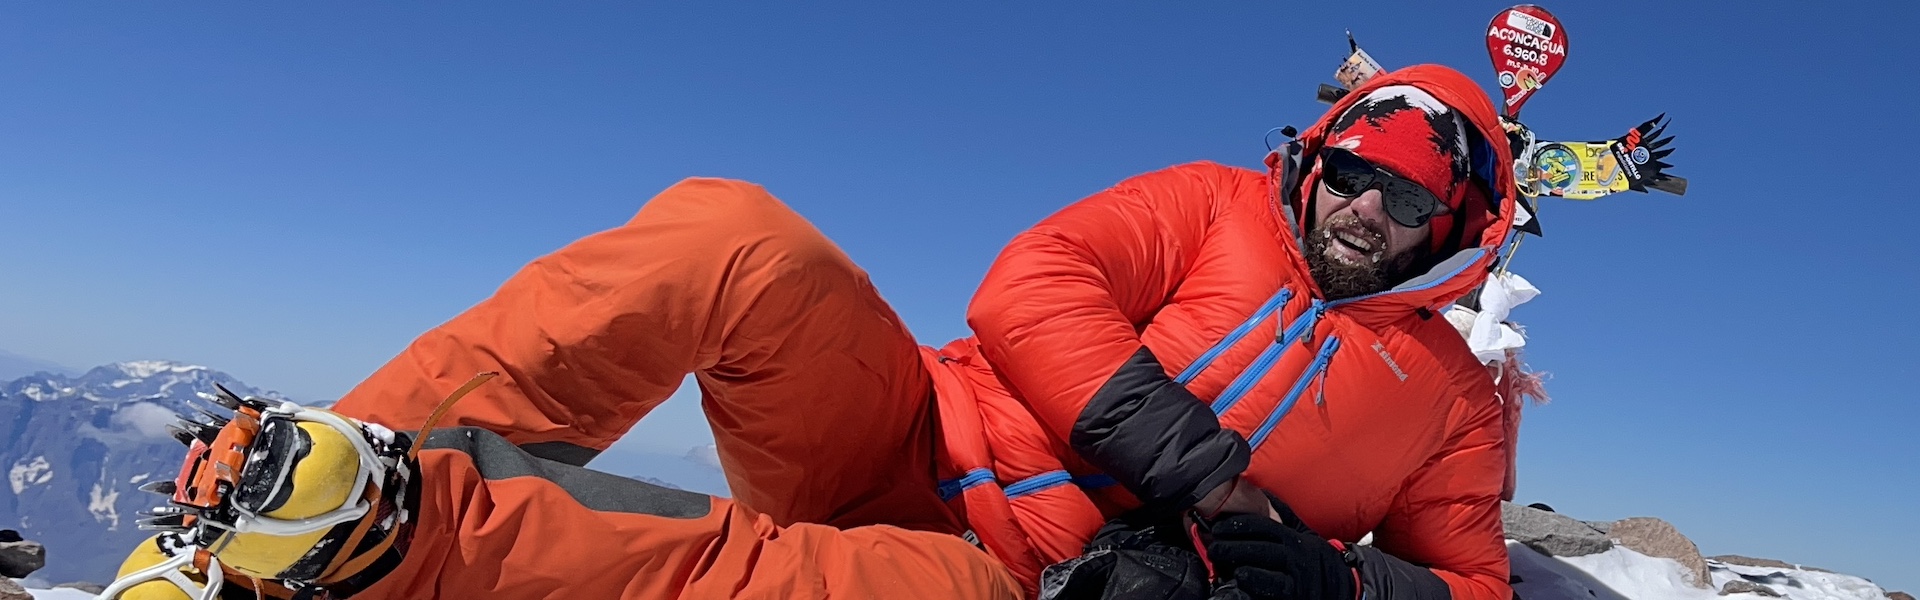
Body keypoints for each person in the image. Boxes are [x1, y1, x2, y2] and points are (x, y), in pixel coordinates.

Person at [104, 64, 1518, 600]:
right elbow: (1029, 284)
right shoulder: (1217, 208)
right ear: (1318, 150)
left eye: (1410, 197)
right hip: (907, 421)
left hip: (1020, 579)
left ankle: (357, 550)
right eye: (1354, 163)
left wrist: (1334, 591)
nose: (1364, 206)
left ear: (1453, 230)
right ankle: (291, 478)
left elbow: (1471, 592)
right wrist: (1204, 472)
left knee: (750, 581)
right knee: (737, 239)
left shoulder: (1456, 398)